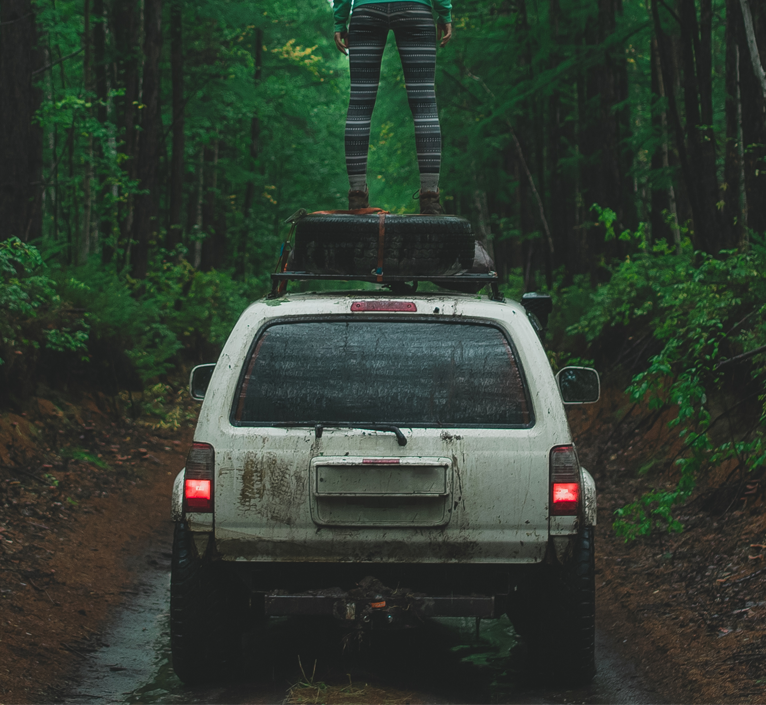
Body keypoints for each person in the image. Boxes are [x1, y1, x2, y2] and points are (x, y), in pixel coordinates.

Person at [333, 0, 452, 214]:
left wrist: (340, 21)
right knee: (425, 103)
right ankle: (430, 198)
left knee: (359, 103)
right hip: (415, 9)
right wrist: (444, 13)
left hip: (366, 10)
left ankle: (357, 196)